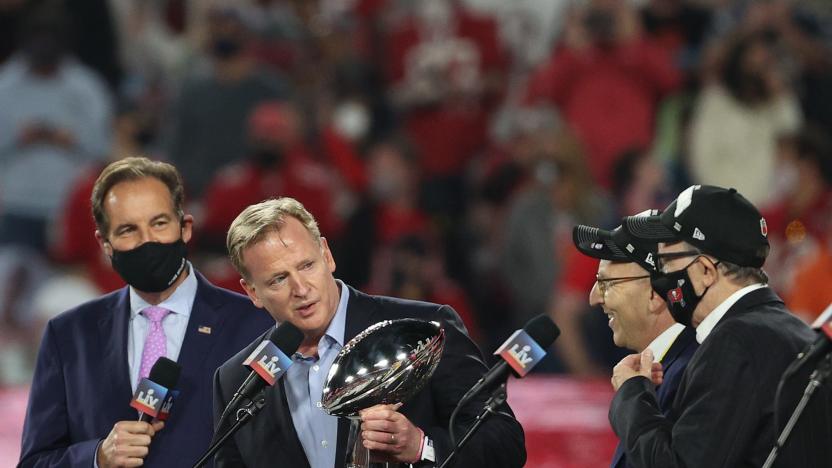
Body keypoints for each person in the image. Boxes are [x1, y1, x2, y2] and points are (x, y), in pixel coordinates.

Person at [213, 197, 526, 467]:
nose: (300, 288)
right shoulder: (238, 382)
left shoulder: (424, 330)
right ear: (252, 291)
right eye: (278, 279)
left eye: (307, 266)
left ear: (327, 255)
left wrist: (420, 446)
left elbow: (505, 444)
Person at [18, 157, 273, 467]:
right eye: (128, 230)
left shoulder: (256, 324)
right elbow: (35, 462)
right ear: (105, 244)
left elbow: (284, 447)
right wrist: (97, 456)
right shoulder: (69, 335)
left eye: (159, 223)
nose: (147, 240)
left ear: (186, 228)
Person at [610, 184, 832, 467]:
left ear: (705, 271)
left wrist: (632, 396)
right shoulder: (794, 333)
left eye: (665, 263)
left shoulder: (735, 342)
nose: (660, 277)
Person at [572, 213, 697, 468]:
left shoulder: (694, 371)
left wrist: (631, 397)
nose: (594, 298)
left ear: (655, 295)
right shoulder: (665, 367)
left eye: (607, 283)